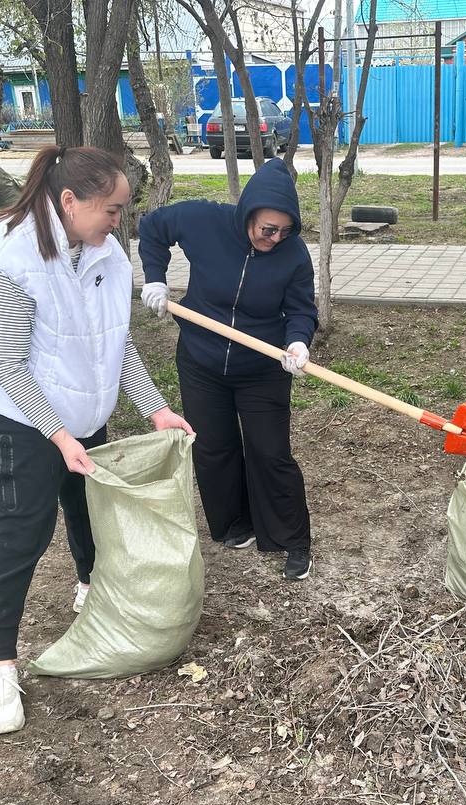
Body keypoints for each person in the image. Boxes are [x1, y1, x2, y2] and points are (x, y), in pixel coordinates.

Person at [0, 145, 194, 735]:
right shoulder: (5, 255)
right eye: (112, 209)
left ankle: (94, 592)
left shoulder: (103, 249)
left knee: (89, 506)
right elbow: (9, 366)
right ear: (69, 201)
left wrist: (156, 408)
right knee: (20, 532)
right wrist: (62, 435)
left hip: (81, 405)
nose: (120, 221)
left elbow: (115, 339)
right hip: (16, 416)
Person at [138, 158, 317, 582]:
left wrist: (296, 341)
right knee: (213, 447)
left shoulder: (293, 254)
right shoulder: (205, 220)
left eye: (284, 231)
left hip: (261, 366)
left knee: (270, 451)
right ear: (248, 214)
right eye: (267, 230)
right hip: (201, 360)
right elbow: (152, 227)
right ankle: (234, 524)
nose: (274, 239)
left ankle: (292, 540)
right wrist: (155, 278)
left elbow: (301, 308)